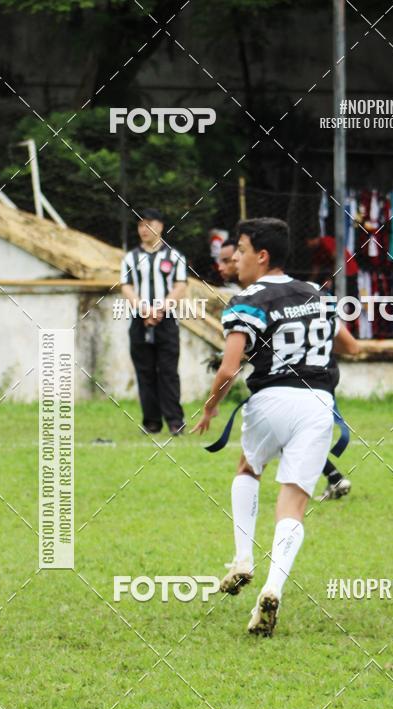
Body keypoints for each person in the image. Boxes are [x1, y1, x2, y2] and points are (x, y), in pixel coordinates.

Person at [193, 217, 359, 637]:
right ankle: (273, 587)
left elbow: (230, 368)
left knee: (249, 468)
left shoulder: (248, 300)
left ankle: (243, 558)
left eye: (242, 251)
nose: (236, 259)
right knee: (293, 505)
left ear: (262, 256)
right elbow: (351, 346)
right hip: (318, 405)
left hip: (270, 400)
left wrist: (210, 408)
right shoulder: (319, 295)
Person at [121, 208, 188, 436]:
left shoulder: (175, 256)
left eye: (148, 224)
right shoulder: (130, 257)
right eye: (140, 225)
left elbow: (180, 286)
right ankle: (151, 421)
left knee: (168, 370)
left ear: (160, 226)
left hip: (167, 320)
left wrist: (160, 309)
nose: (143, 230)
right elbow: (126, 286)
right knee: (144, 371)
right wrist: (143, 309)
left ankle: (175, 420)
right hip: (139, 321)